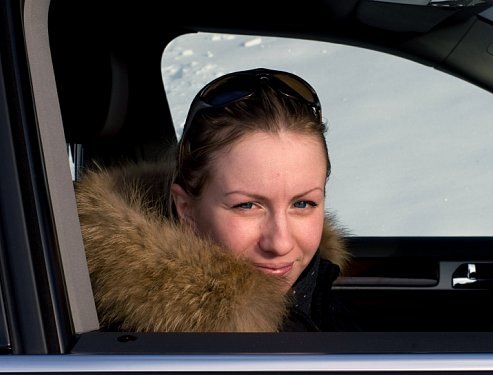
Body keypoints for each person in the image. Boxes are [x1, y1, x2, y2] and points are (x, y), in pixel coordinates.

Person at [75, 67, 357, 332]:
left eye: (302, 204)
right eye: (247, 206)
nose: (280, 243)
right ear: (187, 210)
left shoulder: (320, 300)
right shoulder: (150, 349)